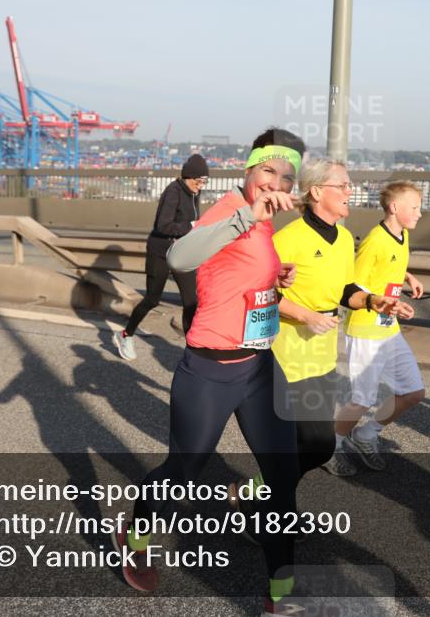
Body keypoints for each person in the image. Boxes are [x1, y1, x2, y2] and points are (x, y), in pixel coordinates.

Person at [113, 129, 305, 617]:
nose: (275, 183)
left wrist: (275, 279)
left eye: (286, 176)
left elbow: (240, 279)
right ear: (248, 168)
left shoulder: (266, 223)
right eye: (268, 171)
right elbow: (180, 257)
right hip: (210, 370)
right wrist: (246, 216)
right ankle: (135, 535)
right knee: (183, 474)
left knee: (283, 477)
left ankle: (278, 597)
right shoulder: (230, 211)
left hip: (258, 365)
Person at [270, 160, 413, 481]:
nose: (351, 191)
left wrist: (375, 301)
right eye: (344, 186)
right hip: (287, 355)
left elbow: (347, 290)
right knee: (305, 442)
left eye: (350, 185)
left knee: (318, 447)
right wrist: (306, 315)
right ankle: (265, 505)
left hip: (323, 354)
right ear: (317, 191)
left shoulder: (346, 239)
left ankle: (257, 494)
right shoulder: (289, 239)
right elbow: (260, 291)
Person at [331, 181, 427, 474]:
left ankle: (365, 435)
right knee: (362, 400)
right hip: (365, 330)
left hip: (388, 328)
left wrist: (407, 277)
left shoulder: (402, 234)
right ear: (394, 208)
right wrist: (380, 300)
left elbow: (389, 263)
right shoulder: (375, 239)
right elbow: (354, 285)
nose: (420, 214)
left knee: (413, 392)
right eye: (415, 208)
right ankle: (330, 447)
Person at [112, 154, 208, 360]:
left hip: (182, 254)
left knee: (191, 302)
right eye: (199, 181)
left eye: (204, 182)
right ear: (188, 177)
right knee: (152, 299)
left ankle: (193, 351)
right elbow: (163, 226)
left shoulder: (193, 193)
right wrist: (189, 226)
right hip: (161, 252)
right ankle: (125, 334)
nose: (201, 186)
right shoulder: (173, 192)